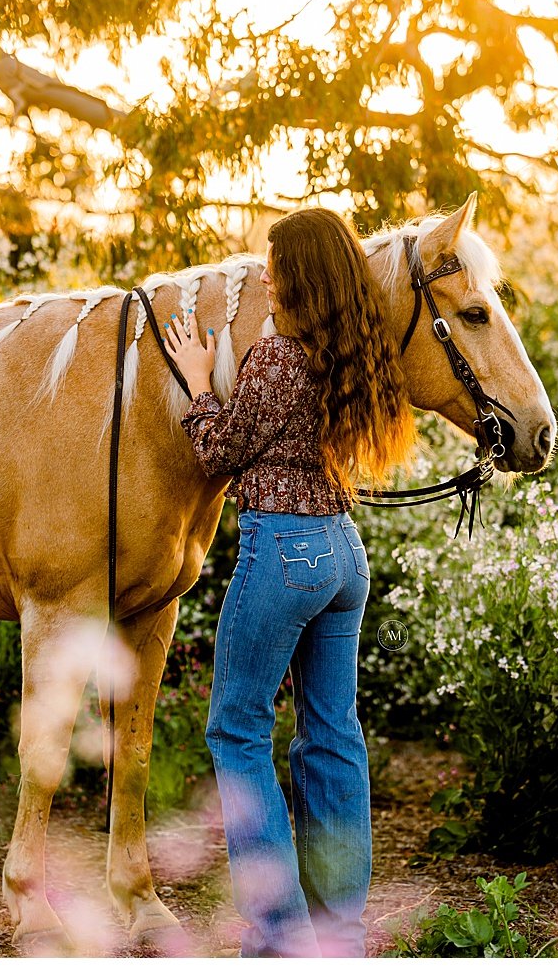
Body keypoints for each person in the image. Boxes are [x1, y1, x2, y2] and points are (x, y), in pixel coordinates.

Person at [162, 207, 415, 957]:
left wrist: (199, 383)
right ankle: (339, 930)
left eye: (274, 266)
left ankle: (276, 937)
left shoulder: (276, 358)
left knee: (236, 730)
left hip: (285, 552)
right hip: (343, 554)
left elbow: (218, 452)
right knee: (332, 732)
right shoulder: (350, 356)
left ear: (301, 274)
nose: (265, 276)